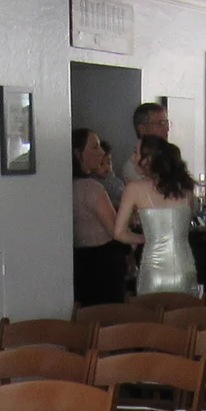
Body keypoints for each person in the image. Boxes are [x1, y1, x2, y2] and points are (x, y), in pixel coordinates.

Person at [113, 136, 199, 296]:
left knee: (151, 319)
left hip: (154, 268)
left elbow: (119, 233)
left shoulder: (134, 189)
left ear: (148, 159)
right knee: (185, 316)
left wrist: (145, 239)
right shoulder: (185, 189)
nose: (133, 158)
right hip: (184, 265)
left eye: (136, 153)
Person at [71, 129, 127, 307]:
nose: (101, 152)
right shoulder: (92, 188)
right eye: (95, 147)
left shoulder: (66, 185)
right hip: (103, 265)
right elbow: (117, 231)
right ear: (78, 154)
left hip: (78, 262)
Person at [124, 100, 171, 186]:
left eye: (167, 123)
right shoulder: (134, 166)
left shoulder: (171, 159)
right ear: (142, 129)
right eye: (161, 123)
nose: (166, 128)